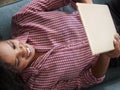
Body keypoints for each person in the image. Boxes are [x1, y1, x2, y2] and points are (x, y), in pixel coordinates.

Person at [0, 0, 120, 90]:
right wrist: (106, 54)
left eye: (13, 45)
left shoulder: (23, 19)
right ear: (14, 76)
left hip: (104, 15)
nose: (22, 50)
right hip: (112, 52)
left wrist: (90, 10)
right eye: (17, 61)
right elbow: (90, 78)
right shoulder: (38, 85)